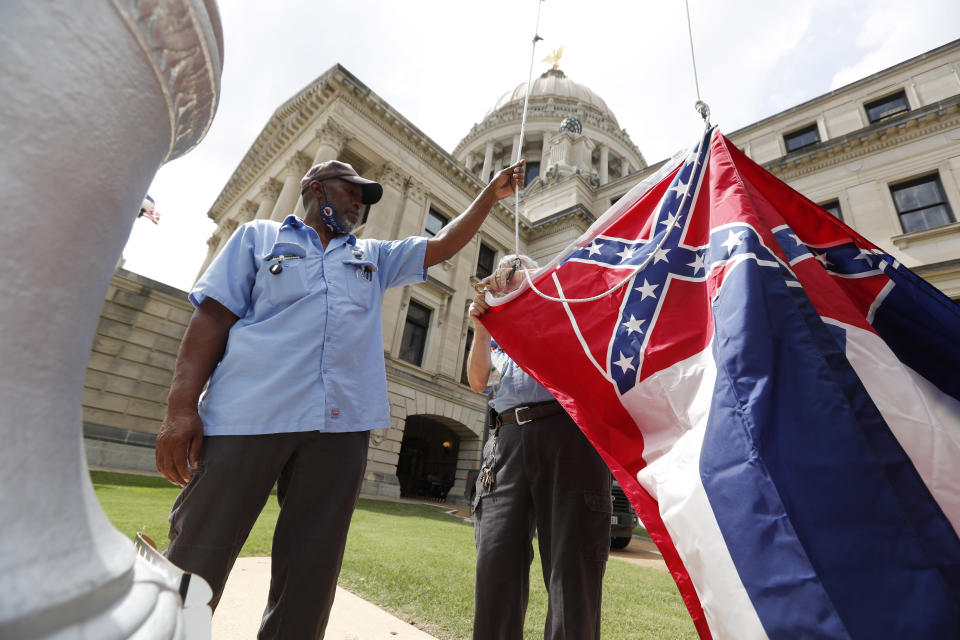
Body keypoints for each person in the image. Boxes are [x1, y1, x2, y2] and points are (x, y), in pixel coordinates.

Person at [155, 158, 524, 639]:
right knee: (199, 550)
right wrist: (180, 409)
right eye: (350, 190)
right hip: (247, 415)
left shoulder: (372, 256)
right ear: (314, 187)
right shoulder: (257, 239)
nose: (359, 202)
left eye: (364, 197)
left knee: (312, 566)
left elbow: (443, 245)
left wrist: (489, 197)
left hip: (340, 427)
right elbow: (209, 322)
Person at [467, 255, 612, 640]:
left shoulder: (565, 311)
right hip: (506, 442)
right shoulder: (496, 337)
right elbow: (478, 382)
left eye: (516, 272)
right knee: (495, 562)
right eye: (500, 277)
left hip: (568, 436)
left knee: (572, 572)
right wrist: (481, 332)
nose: (506, 280)